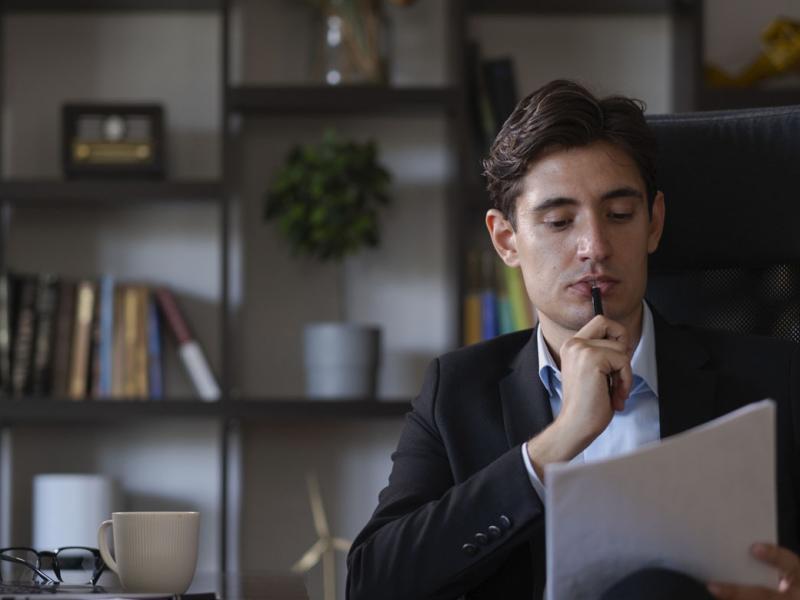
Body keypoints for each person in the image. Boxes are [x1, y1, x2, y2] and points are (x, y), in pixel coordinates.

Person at [345, 80, 800, 600]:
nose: (595, 247)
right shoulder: (457, 391)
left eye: (621, 215)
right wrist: (554, 445)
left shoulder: (778, 376)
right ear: (506, 240)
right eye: (560, 221)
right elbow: (371, 584)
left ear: (654, 224)